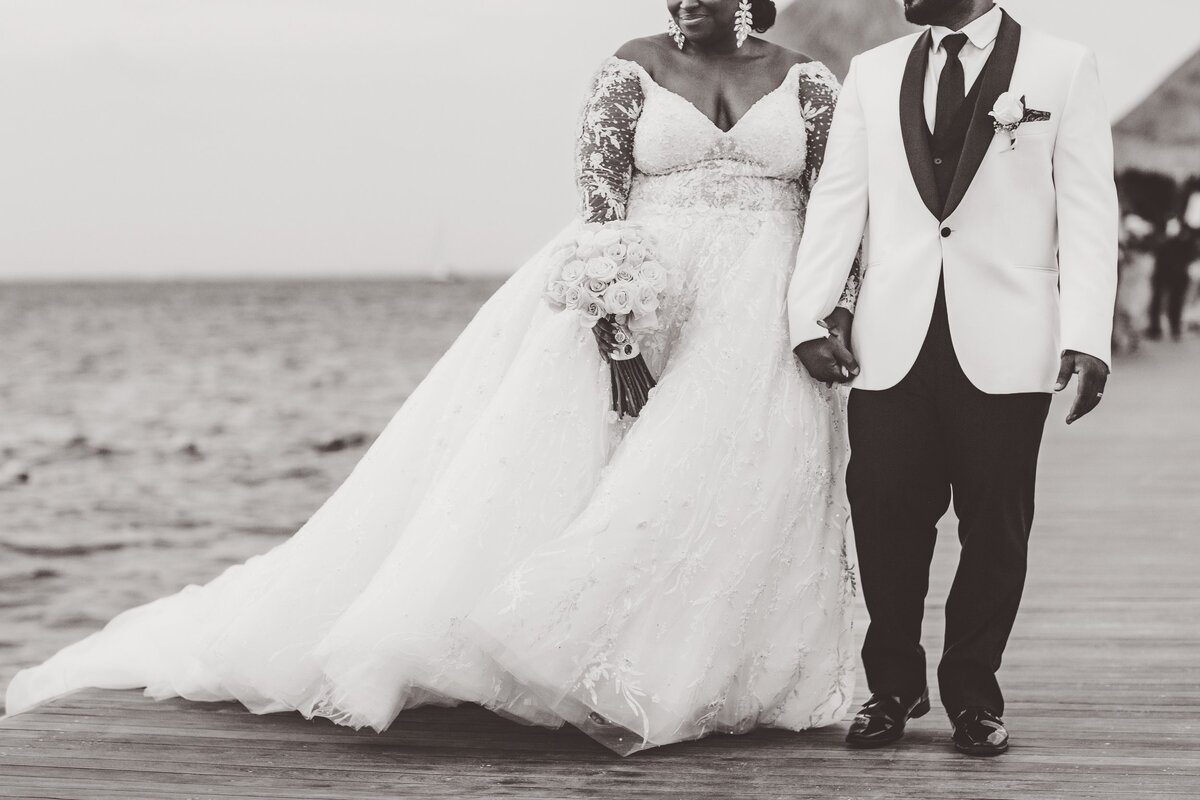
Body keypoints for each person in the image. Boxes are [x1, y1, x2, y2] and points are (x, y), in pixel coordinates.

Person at [4, 0, 862, 756]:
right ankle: (577, 661)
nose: (680, 4)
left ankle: (719, 673)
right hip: (649, 302)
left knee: (741, 485)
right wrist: (618, 329)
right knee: (616, 482)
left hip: (762, 313)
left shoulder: (809, 84)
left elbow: (841, 205)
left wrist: (832, 313)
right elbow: (602, 202)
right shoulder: (631, 68)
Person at [787, 0, 1118, 756]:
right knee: (883, 514)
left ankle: (974, 694)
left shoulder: (1062, 66)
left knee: (995, 525)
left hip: (1010, 335)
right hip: (890, 334)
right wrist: (807, 317)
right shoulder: (872, 73)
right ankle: (892, 687)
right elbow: (840, 200)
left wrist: (1088, 335)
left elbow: (1091, 210)